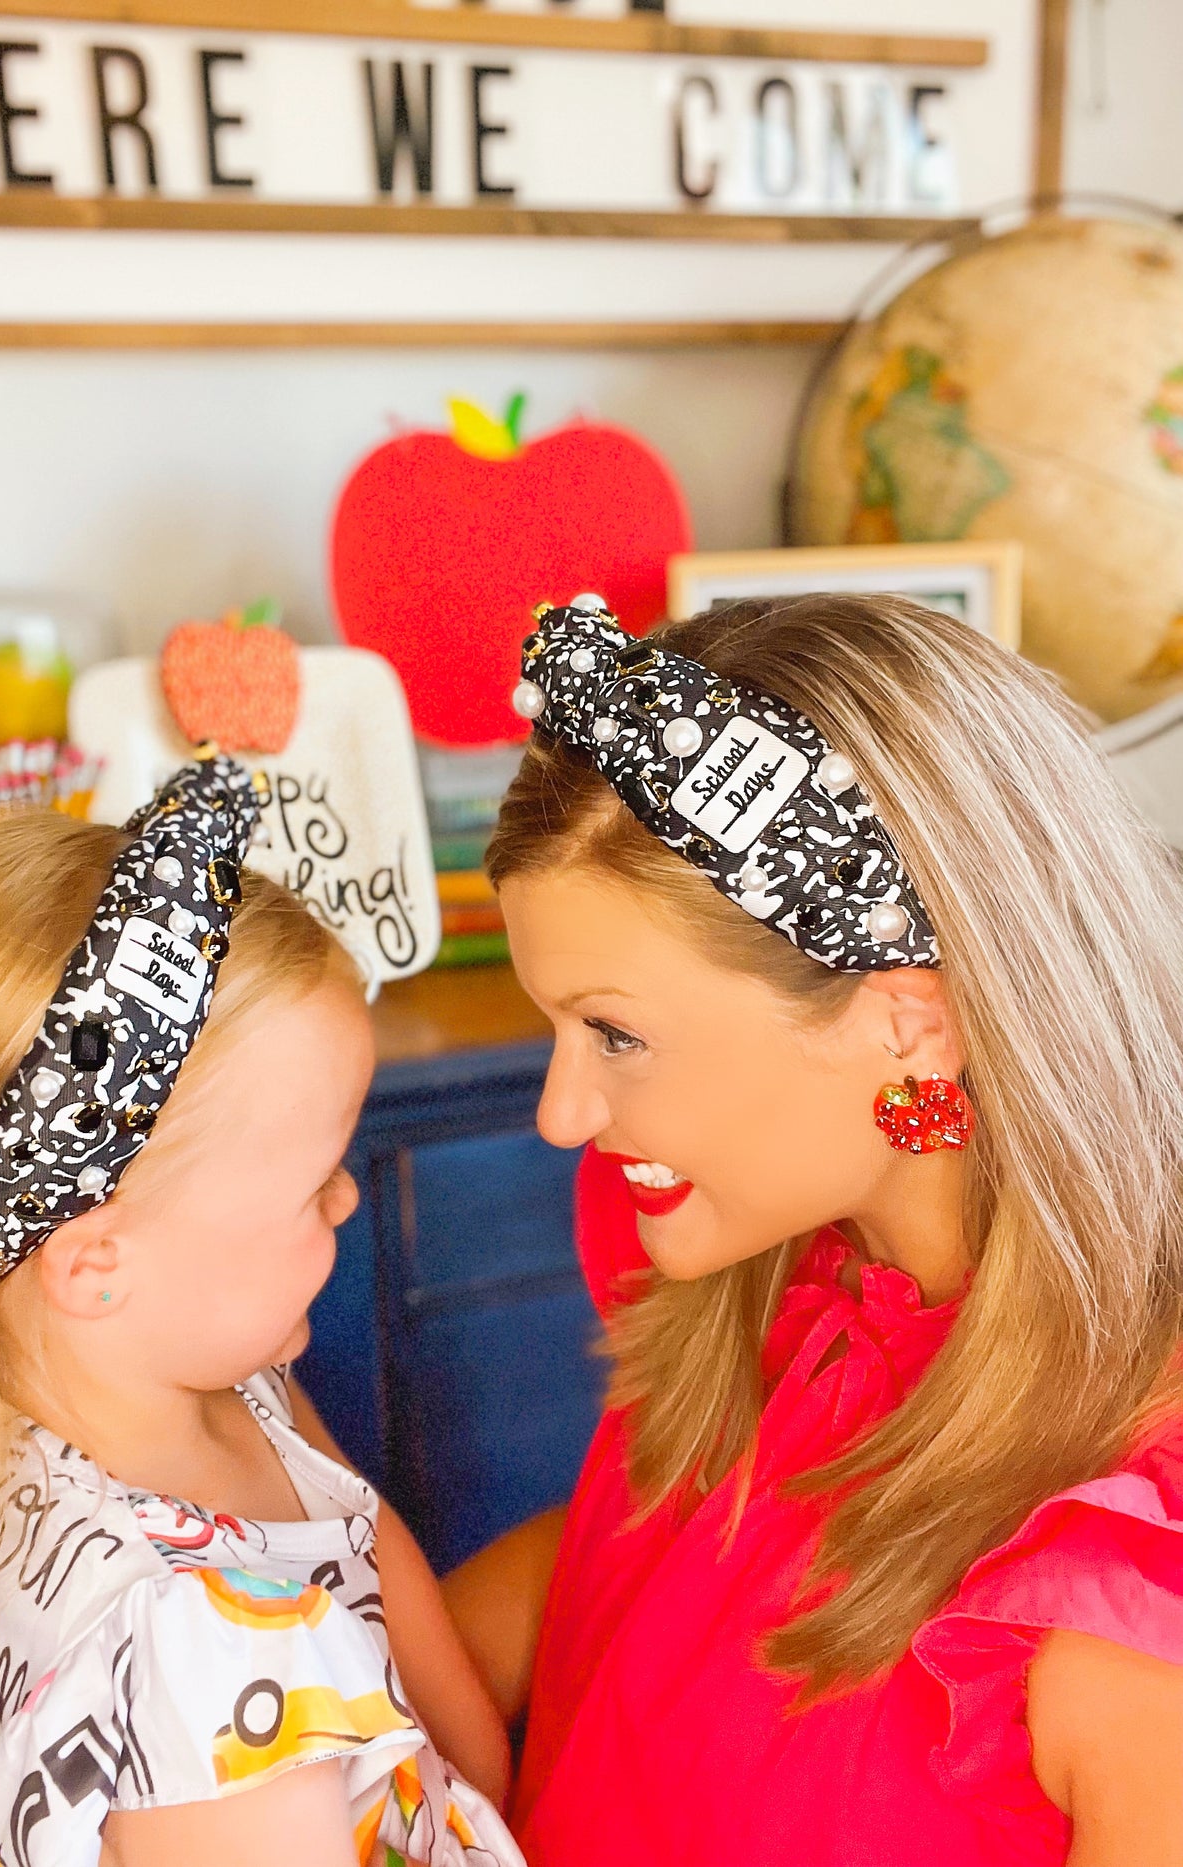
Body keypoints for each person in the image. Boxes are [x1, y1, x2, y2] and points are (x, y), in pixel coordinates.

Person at [465, 595, 1183, 1865]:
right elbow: (640, 1572)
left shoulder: (1125, 1594)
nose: (564, 1114)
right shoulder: (763, 1249)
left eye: (615, 1034)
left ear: (909, 1021)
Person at [0, 754, 517, 1867]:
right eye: (311, 1179)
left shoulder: (208, 1377)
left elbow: (422, 1680)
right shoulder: (192, 1651)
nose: (347, 1194)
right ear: (92, 1264)